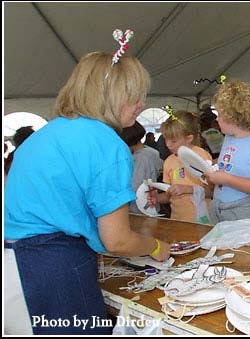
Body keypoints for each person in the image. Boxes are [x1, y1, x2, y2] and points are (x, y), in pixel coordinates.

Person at [4, 51, 173, 335]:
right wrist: (156, 247)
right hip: (48, 272)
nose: (142, 104)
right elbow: (116, 240)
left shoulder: (45, 134)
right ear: (111, 95)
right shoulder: (106, 143)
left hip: (12, 266)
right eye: (135, 96)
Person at [203, 80, 250, 223]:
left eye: (219, 114)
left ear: (235, 117)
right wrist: (208, 165)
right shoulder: (229, 138)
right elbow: (230, 161)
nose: (217, 119)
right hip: (221, 209)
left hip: (248, 212)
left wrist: (226, 179)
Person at [157, 110, 213, 223]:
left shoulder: (201, 156)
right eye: (166, 139)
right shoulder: (168, 162)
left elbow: (212, 193)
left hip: (202, 221)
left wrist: (187, 189)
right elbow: (169, 195)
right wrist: (156, 198)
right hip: (178, 221)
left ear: (189, 138)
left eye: (173, 141)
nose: (168, 144)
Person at [119, 121, 163, 214]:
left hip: (139, 209)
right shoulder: (151, 151)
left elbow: (135, 186)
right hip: (149, 205)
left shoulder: (140, 158)